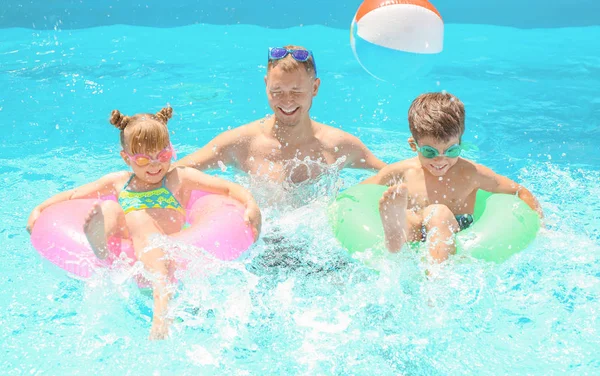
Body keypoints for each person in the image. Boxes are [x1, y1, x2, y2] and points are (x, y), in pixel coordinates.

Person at [26, 107, 262, 340]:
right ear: (125, 157)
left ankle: (161, 312)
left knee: (138, 218)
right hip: (128, 250)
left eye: (162, 155)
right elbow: (73, 195)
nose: (154, 165)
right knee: (110, 208)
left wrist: (251, 203)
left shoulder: (178, 179)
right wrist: (39, 209)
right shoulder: (119, 182)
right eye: (142, 159)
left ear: (171, 150)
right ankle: (100, 246)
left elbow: (228, 188)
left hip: (164, 252)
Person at [362, 92, 543, 263]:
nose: (441, 160)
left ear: (460, 144)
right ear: (413, 145)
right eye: (429, 151)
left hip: (455, 227)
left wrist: (542, 226)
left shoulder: (471, 173)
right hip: (417, 230)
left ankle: (430, 272)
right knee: (410, 217)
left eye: (451, 150)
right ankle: (396, 231)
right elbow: (361, 192)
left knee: (437, 213)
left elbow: (519, 191)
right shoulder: (402, 172)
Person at [176, 45, 385, 188]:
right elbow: (174, 171)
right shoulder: (240, 143)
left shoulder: (340, 146)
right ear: (266, 84)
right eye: (277, 91)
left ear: (315, 88)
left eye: (296, 92)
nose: (286, 101)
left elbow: (394, 174)